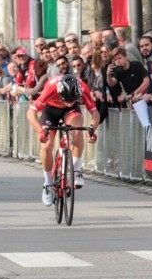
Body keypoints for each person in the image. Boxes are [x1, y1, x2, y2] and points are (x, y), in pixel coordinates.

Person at [28, 74, 100, 204]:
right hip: (50, 111)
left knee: (77, 132)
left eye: (73, 99)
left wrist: (92, 129)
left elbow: (94, 112)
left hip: (71, 112)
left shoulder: (83, 88)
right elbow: (31, 113)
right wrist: (40, 131)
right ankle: (48, 184)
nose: (68, 102)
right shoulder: (51, 87)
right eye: (66, 100)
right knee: (47, 145)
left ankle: (76, 170)